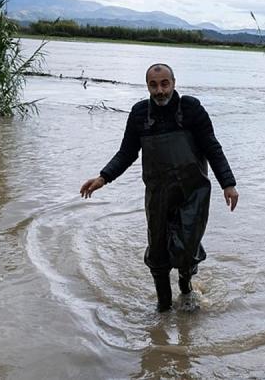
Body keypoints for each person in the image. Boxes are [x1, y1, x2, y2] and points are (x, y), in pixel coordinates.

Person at [80, 63, 239, 312]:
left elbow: (212, 147)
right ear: (147, 87)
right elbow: (126, 153)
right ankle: (163, 307)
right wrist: (103, 177)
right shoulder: (139, 114)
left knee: (187, 250)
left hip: (193, 193)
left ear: (174, 83)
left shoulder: (191, 109)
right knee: (158, 254)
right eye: (153, 85)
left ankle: (186, 288)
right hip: (158, 195)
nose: (160, 90)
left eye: (164, 84)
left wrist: (228, 184)